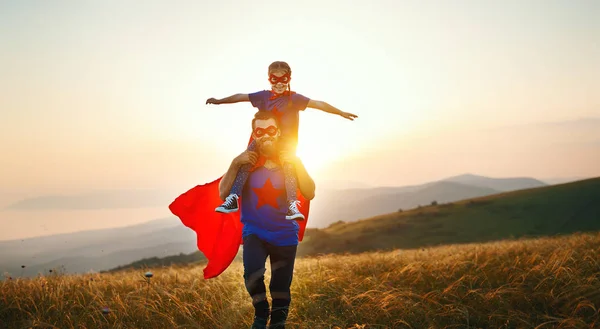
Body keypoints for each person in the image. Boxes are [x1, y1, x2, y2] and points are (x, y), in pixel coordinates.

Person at [207, 60, 357, 220]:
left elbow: (318, 104)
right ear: (269, 79)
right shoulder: (263, 96)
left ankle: (292, 204)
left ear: (289, 79)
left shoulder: (295, 99)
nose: (279, 83)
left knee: (289, 167)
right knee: (247, 161)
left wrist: (340, 112)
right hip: (264, 140)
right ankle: (233, 198)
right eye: (274, 79)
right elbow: (240, 97)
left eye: (283, 79)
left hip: (286, 143)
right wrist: (219, 101)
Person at [218, 110, 315, 329]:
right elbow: (224, 194)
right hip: (255, 232)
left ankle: (278, 323)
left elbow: (309, 192)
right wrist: (234, 162)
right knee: (252, 275)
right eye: (259, 131)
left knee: (280, 286)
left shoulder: (289, 163)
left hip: (284, 234)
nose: (266, 135)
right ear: (254, 133)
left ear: (278, 131)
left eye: (271, 129)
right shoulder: (246, 164)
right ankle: (261, 315)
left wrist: (298, 163)